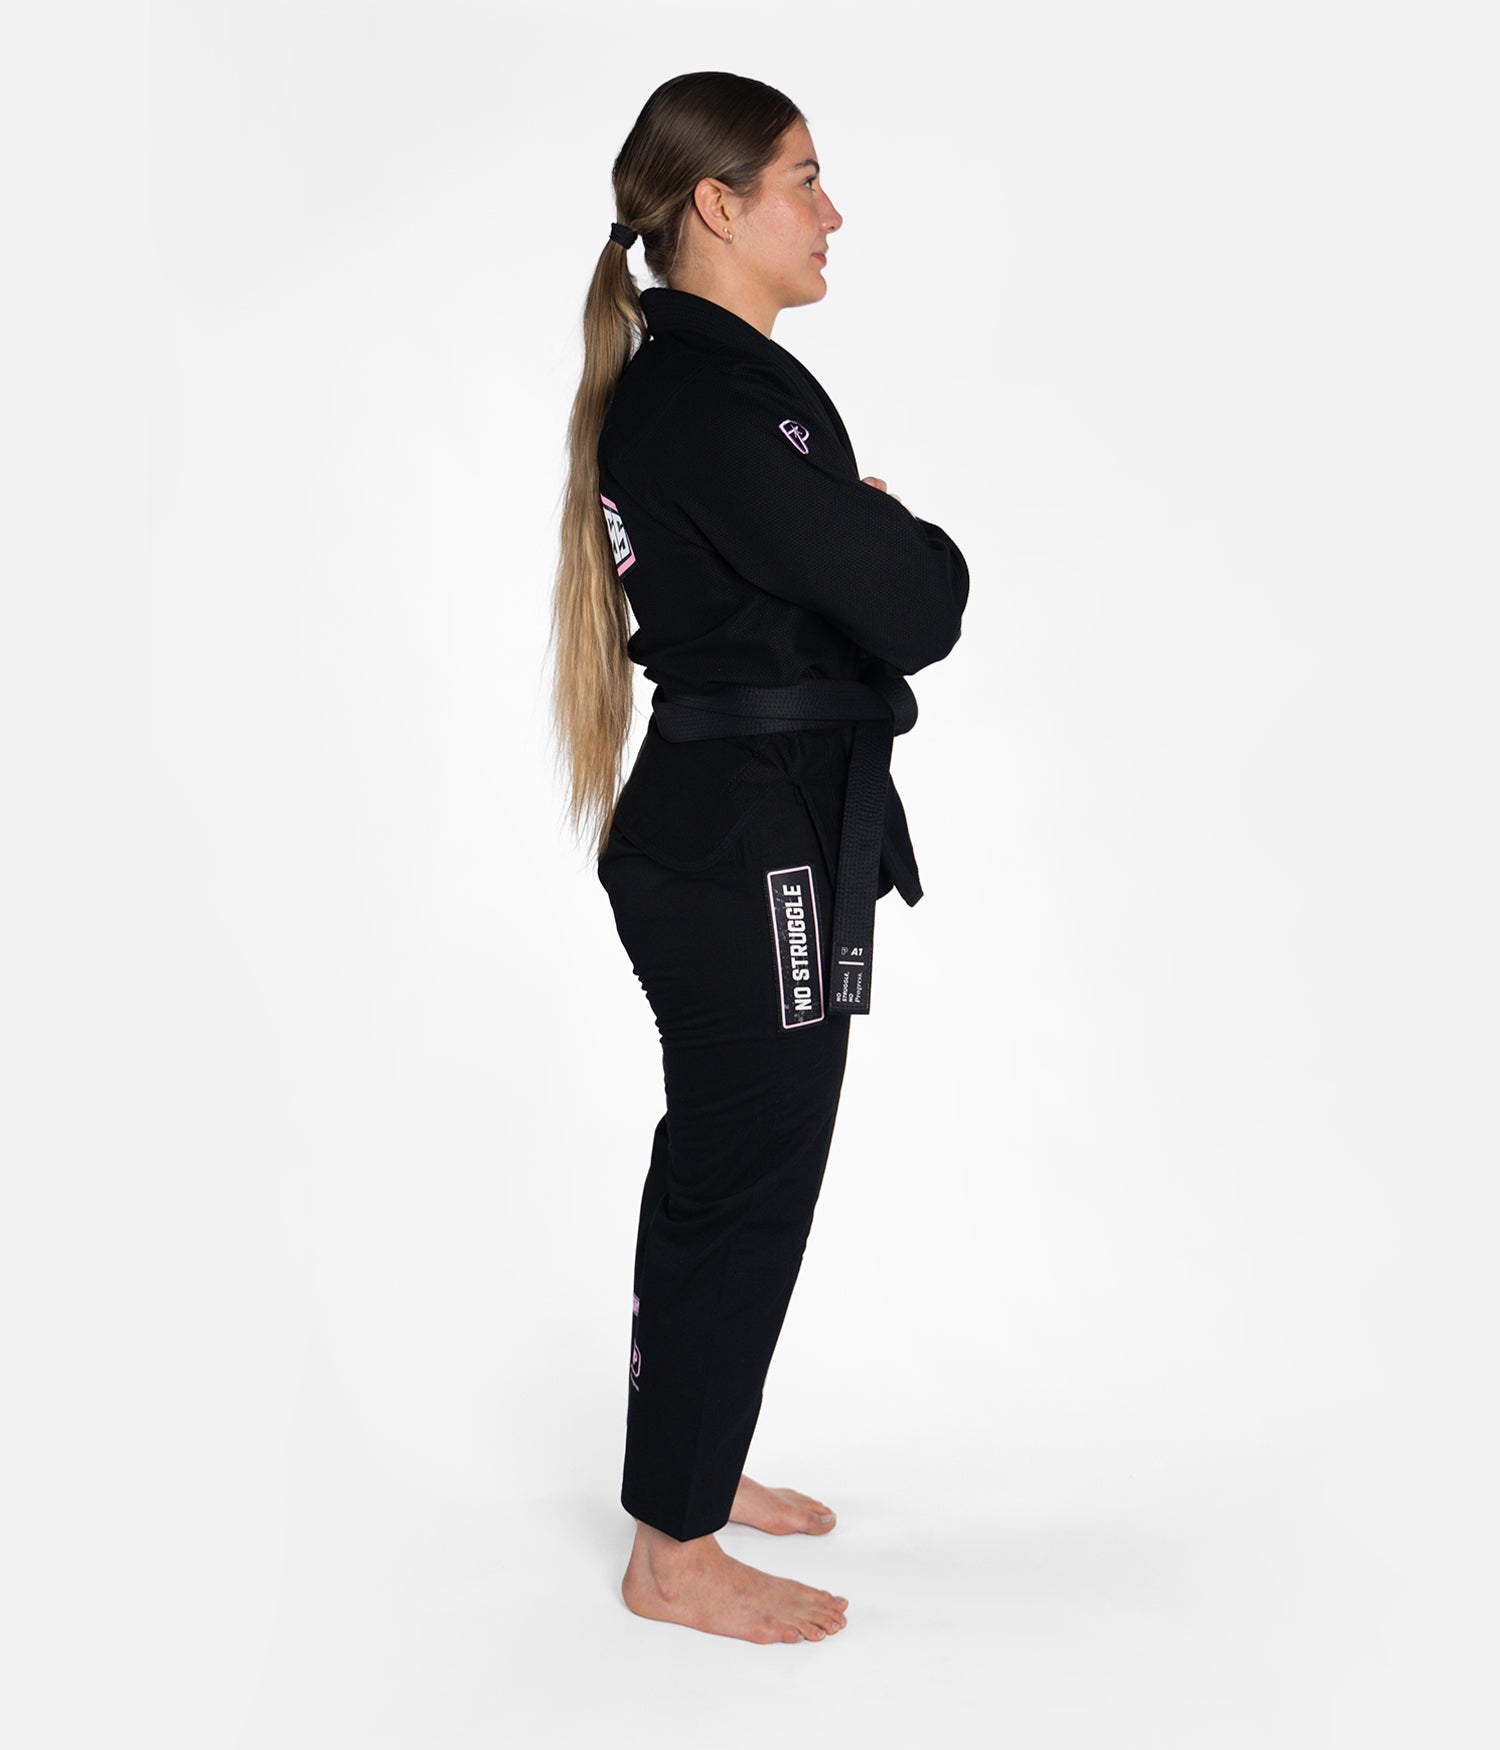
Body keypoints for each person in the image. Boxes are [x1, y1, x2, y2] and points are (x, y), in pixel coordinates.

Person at [548, 71, 970, 1645]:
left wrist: (858, 542)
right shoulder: (710, 406)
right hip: (744, 839)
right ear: (716, 206)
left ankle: (694, 1466)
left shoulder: (713, 392)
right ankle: (672, 1553)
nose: (832, 211)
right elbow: (915, 601)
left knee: (743, 1167)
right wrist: (897, 539)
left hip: (754, 822)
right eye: (804, 178)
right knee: (742, 1175)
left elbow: (855, 585)